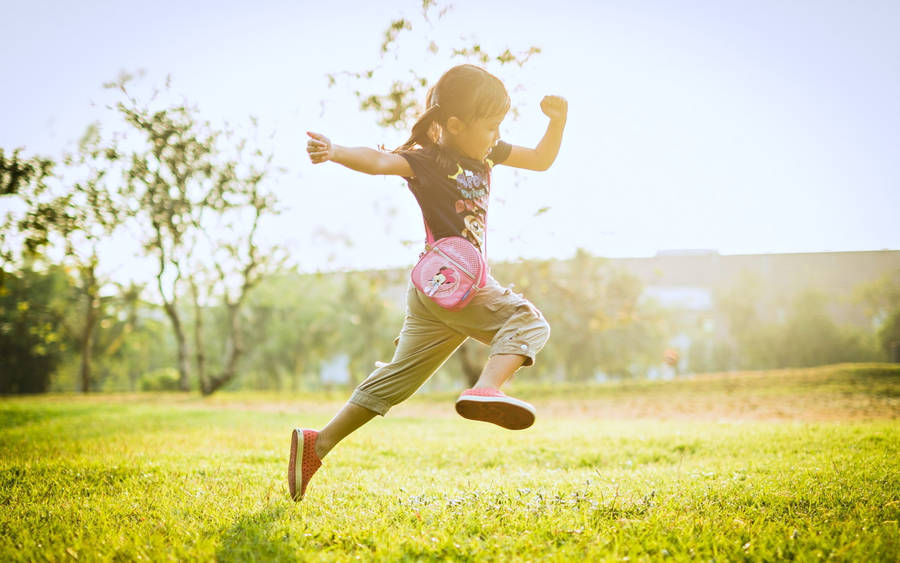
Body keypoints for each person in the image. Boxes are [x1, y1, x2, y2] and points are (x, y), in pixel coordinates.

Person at [291, 64, 567, 501]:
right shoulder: (427, 161)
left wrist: (557, 123)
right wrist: (336, 150)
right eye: (490, 126)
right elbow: (379, 161)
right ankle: (486, 388)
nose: (497, 135)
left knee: (396, 380)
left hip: (433, 291)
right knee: (529, 323)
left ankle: (317, 443)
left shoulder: (487, 153)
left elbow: (540, 159)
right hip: (455, 282)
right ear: (455, 124)